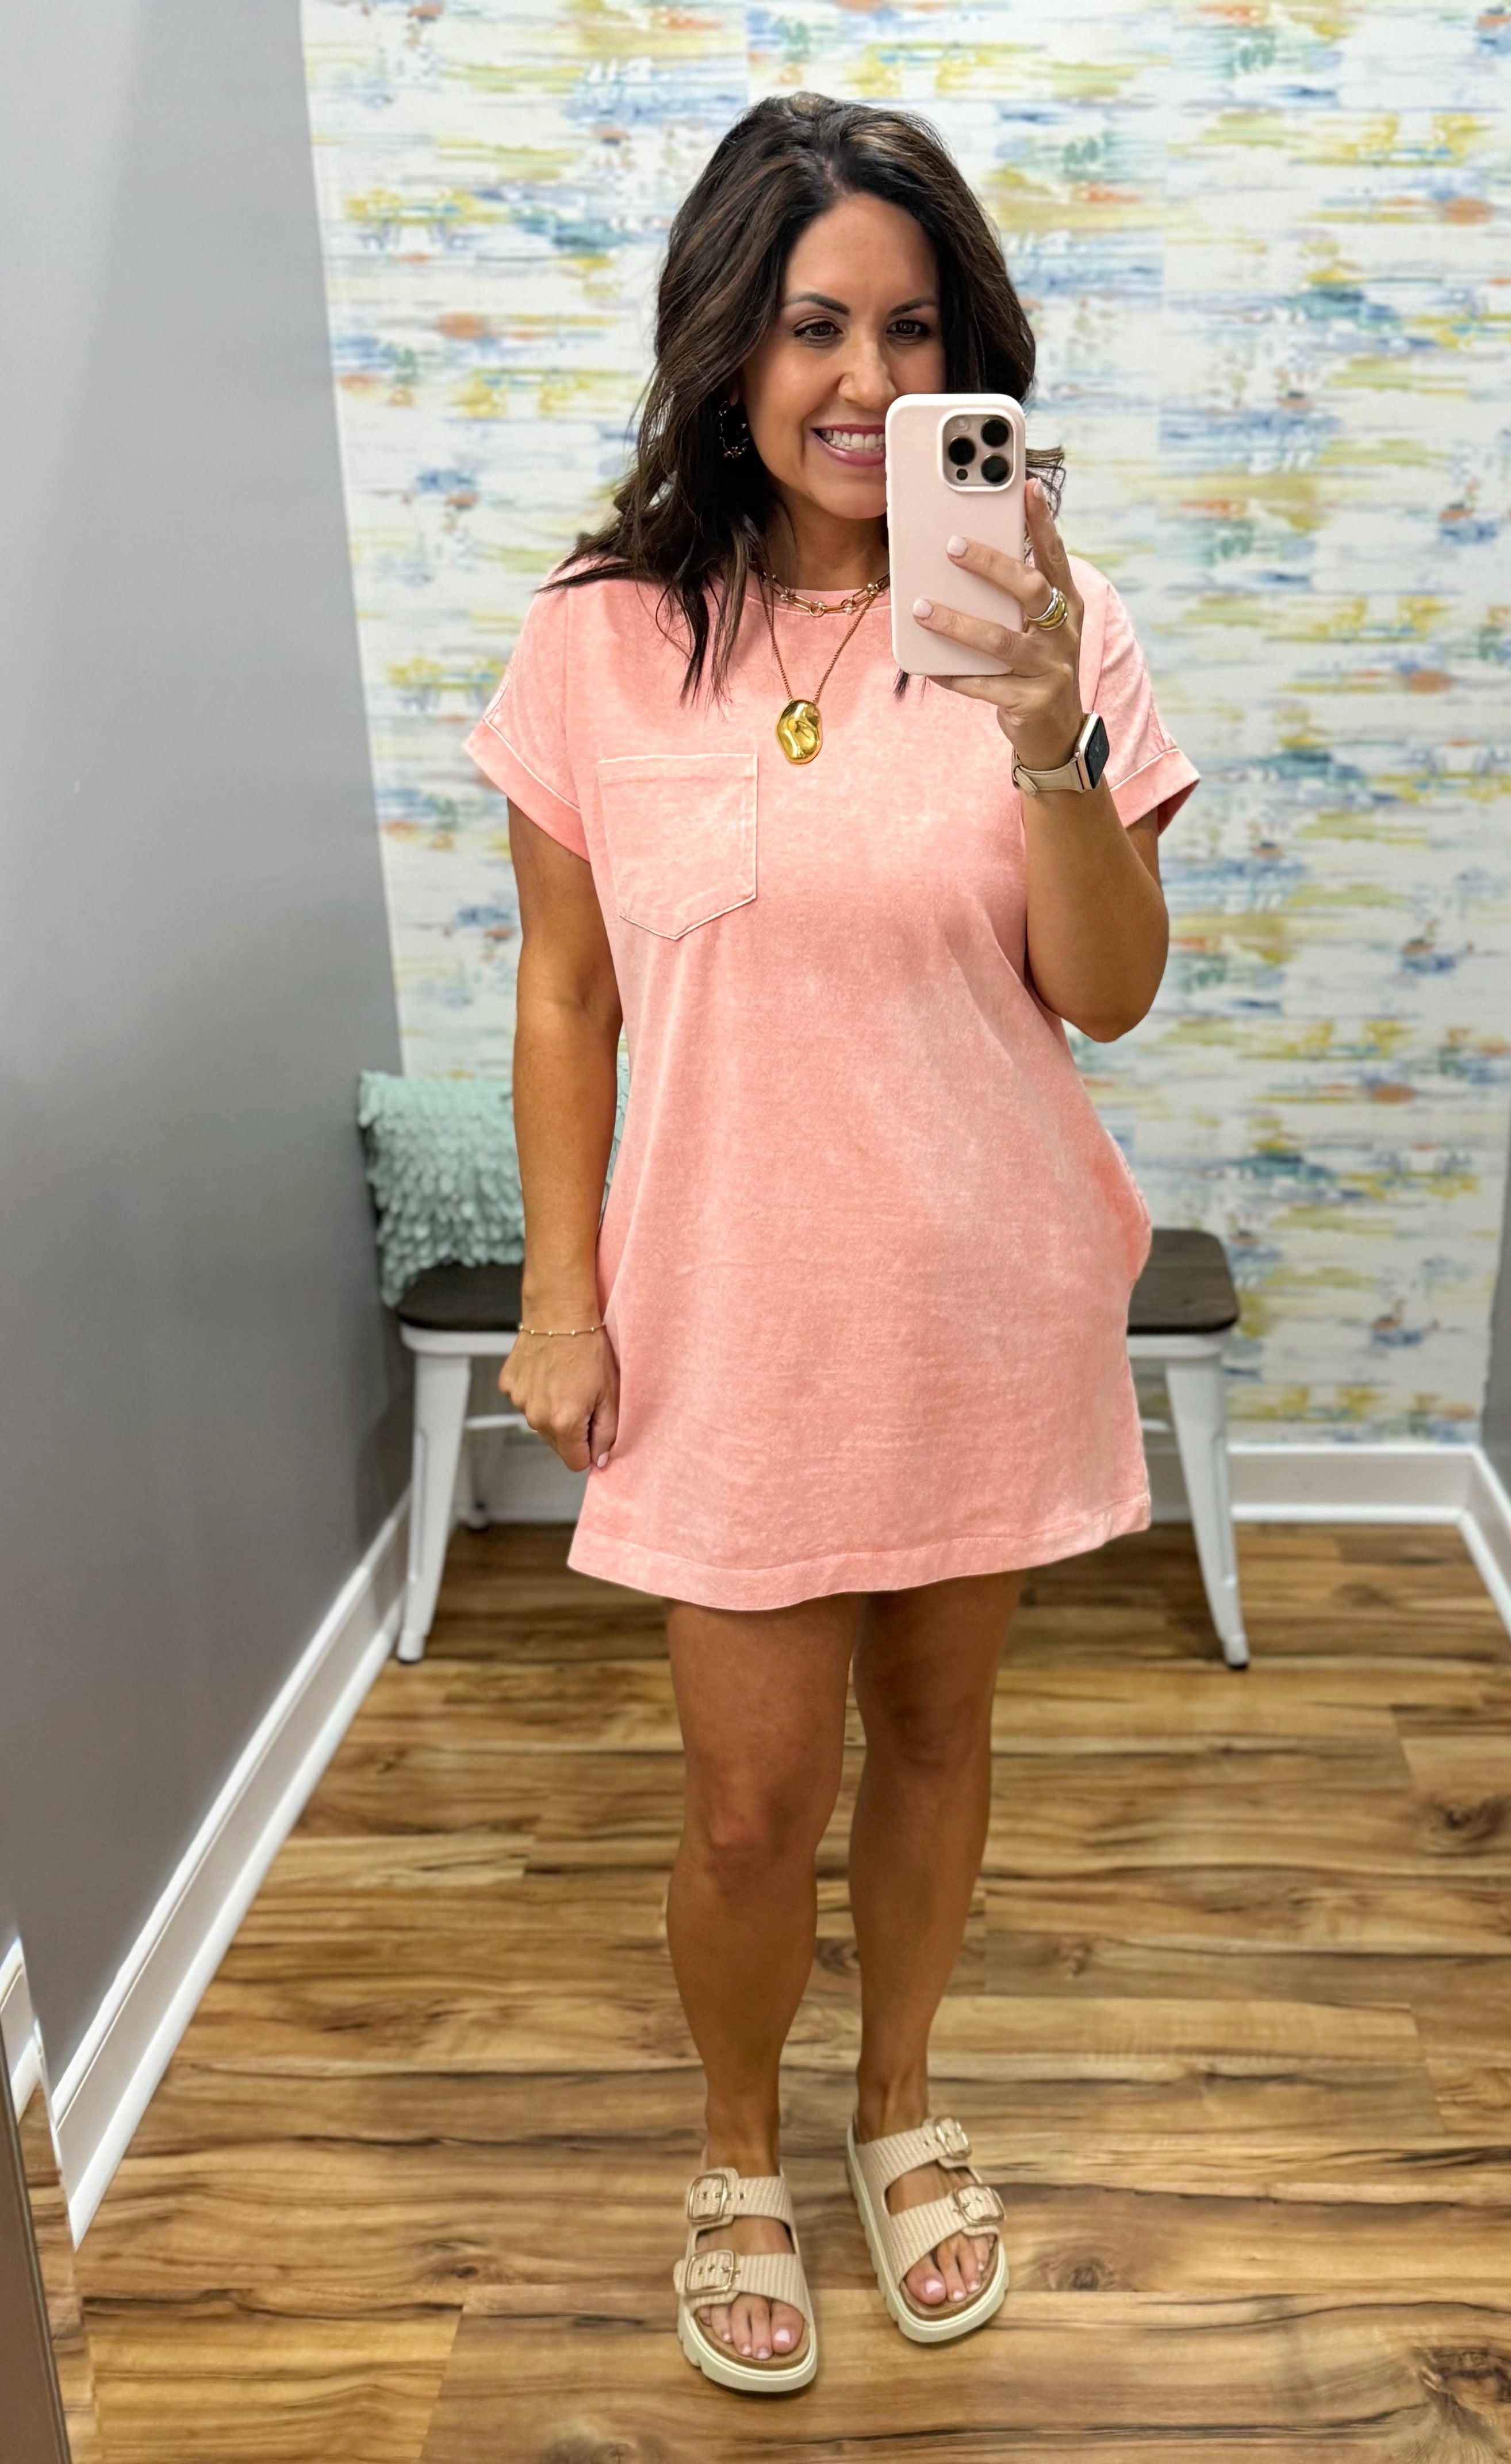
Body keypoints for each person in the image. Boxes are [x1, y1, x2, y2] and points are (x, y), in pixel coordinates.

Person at [468, 89, 1196, 2398]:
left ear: (977, 358)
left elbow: (1108, 989)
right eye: (812, 326)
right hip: (726, 1316)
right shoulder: (599, 643)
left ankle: (897, 2105)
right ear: (726, 344)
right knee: (744, 1792)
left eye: (913, 328)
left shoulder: (1054, 620)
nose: (867, 383)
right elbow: (567, 988)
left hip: (977, 1291)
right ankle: (732, 2142)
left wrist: (1050, 730)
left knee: (943, 1733)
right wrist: (560, 1292)